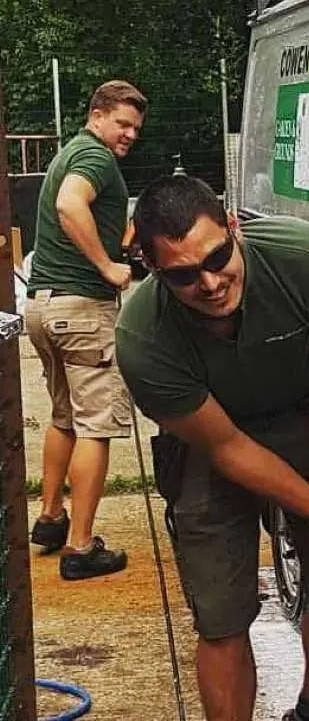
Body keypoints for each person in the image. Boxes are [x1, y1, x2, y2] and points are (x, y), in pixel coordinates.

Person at [115, 175, 309, 721]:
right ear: (151, 268)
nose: (211, 282)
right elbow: (228, 448)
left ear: (233, 226)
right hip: (211, 443)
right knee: (221, 614)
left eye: (217, 257)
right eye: (184, 275)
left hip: (308, 417)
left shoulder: (308, 258)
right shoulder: (143, 337)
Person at [25, 79, 147, 580]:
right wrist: (107, 267)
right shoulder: (95, 159)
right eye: (122, 123)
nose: (130, 134)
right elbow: (70, 206)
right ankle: (80, 547)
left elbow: (82, 217)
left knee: (64, 418)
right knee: (96, 425)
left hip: (43, 306)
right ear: (97, 115)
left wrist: (126, 237)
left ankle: (52, 518)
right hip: (81, 308)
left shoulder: (70, 152)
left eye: (136, 128)